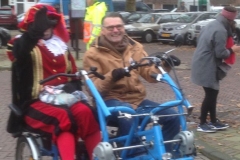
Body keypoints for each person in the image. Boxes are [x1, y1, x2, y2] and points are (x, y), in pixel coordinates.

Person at [6, 4, 100, 160]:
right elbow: (19, 53)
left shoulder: (61, 46)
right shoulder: (21, 44)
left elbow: (74, 75)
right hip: (34, 103)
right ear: (32, 26)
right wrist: (34, 33)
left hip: (65, 98)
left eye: (50, 24)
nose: (46, 28)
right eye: (42, 25)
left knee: (87, 113)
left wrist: (73, 84)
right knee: (62, 117)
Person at [83, 12, 180, 152]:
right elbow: (93, 90)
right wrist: (113, 76)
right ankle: (132, 154)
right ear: (103, 30)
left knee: (172, 116)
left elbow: (149, 73)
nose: (115, 30)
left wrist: (165, 65)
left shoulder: (135, 47)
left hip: (137, 101)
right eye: (110, 28)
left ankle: (165, 153)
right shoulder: (92, 54)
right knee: (128, 116)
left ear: (124, 27)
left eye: (119, 26)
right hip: (110, 101)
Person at [191, 6, 240, 133]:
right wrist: (233, 50)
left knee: (213, 93)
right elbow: (221, 53)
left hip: (203, 63)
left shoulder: (212, 24)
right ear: (230, 19)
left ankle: (213, 120)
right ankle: (202, 123)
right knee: (210, 94)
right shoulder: (220, 30)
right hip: (207, 65)